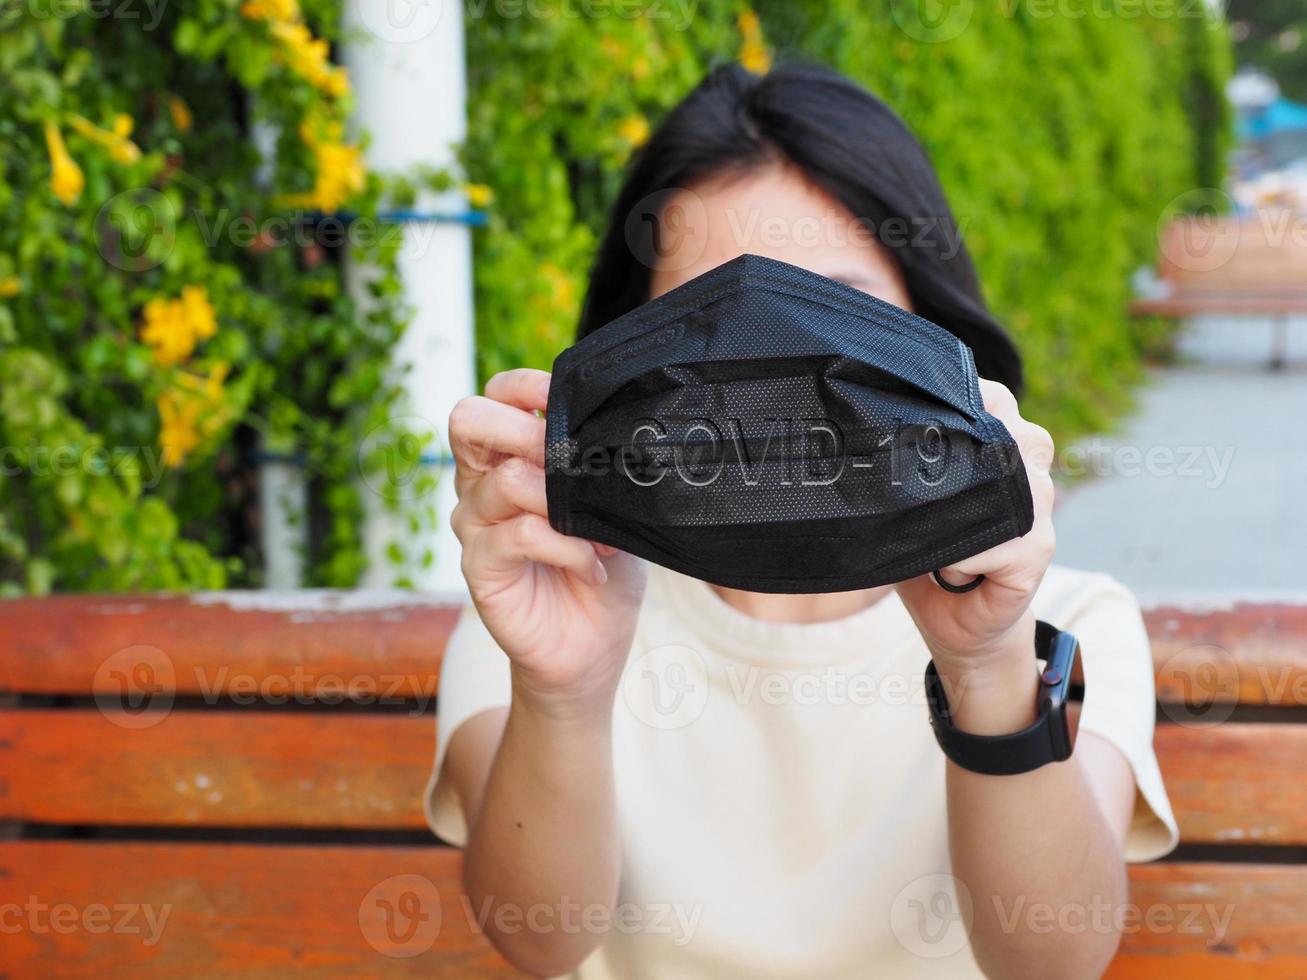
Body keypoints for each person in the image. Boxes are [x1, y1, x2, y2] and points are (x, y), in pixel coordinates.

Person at [426, 62, 1177, 979]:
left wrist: (984, 665)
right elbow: (538, 939)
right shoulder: (543, 603)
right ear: (623, 352)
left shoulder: (1065, 620)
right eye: (710, 324)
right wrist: (562, 694)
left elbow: (1050, 959)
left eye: (835, 309)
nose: (780, 377)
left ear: (932, 328)